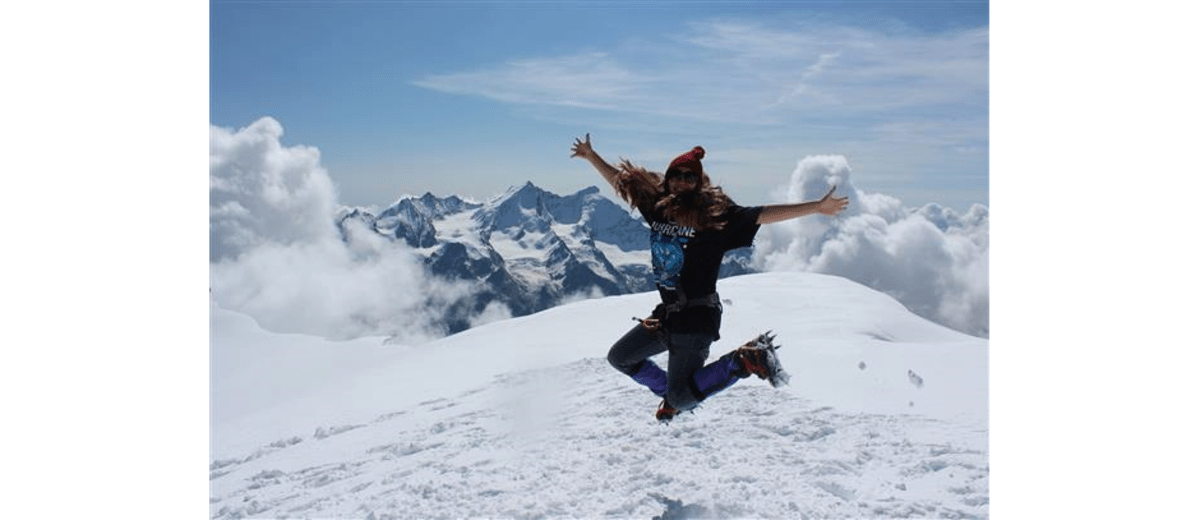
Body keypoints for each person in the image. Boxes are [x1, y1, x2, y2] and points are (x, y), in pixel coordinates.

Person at [570, 133, 850, 422]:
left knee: (682, 397)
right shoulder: (659, 210)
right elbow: (622, 182)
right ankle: (674, 394)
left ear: (698, 182)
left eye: (689, 177)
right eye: (676, 175)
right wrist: (592, 156)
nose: (681, 181)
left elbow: (763, 214)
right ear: (667, 179)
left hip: (696, 318)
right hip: (666, 316)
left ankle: (745, 360)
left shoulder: (715, 218)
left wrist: (816, 206)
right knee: (621, 357)